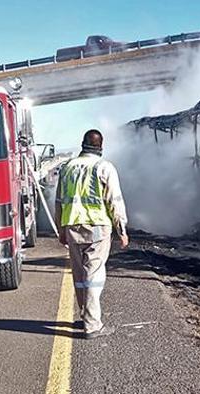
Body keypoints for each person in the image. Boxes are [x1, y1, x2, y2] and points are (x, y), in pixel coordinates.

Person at [55, 129, 129, 339]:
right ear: (100, 147)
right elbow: (114, 201)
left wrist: (61, 230)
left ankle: (85, 315)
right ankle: (93, 325)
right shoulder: (104, 167)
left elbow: (59, 202)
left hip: (71, 226)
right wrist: (121, 230)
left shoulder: (67, 167)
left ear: (82, 144)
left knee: (79, 275)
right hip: (97, 226)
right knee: (94, 274)